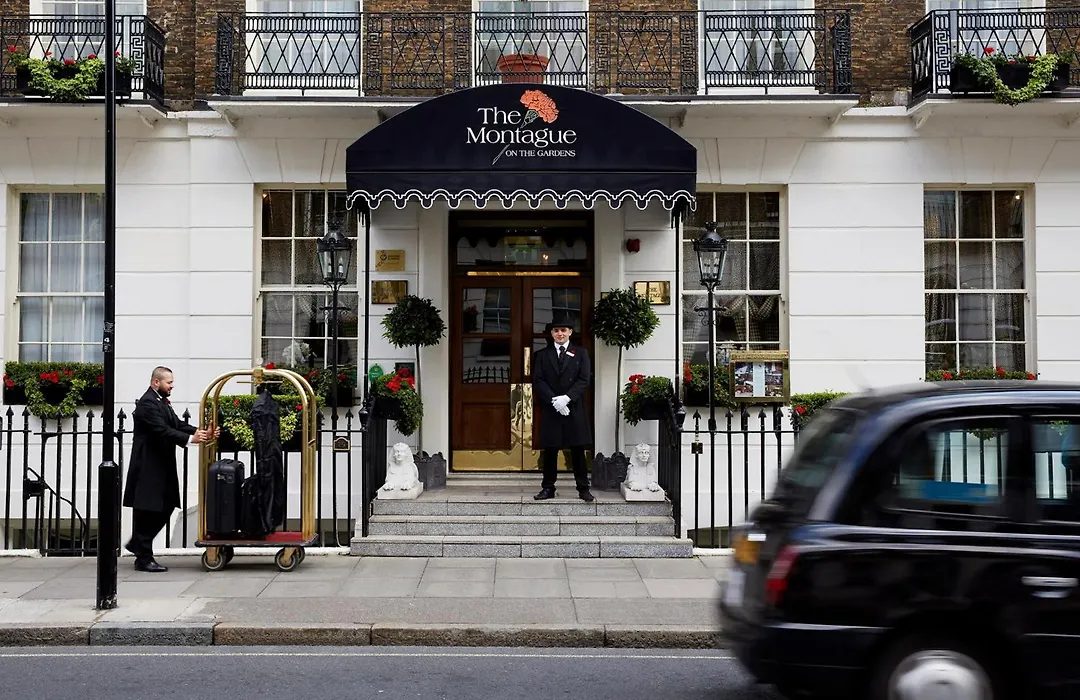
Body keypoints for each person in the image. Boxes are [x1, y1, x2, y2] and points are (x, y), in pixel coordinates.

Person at [122, 366, 217, 572]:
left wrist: (201, 432)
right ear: (156, 382)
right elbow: (161, 430)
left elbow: (176, 424)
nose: (172, 386)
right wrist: (190, 439)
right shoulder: (147, 403)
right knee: (147, 510)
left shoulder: (160, 401)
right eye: (169, 382)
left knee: (167, 505)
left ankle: (138, 544)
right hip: (147, 465)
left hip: (160, 464)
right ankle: (143, 557)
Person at [532, 318, 594, 502]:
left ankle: (583, 488)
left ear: (570, 332)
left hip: (573, 408)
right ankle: (548, 488)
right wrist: (555, 401)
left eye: (563, 330)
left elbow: (584, 379)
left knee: (577, 450)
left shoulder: (581, 353)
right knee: (550, 450)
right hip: (552, 409)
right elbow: (538, 380)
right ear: (551, 333)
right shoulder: (542, 355)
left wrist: (566, 399)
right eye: (556, 330)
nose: (560, 334)